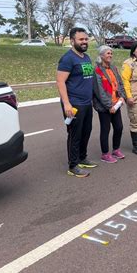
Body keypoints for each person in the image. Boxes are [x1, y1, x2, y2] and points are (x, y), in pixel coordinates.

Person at [56, 27, 97, 178]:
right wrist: (67, 104)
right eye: (81, 39)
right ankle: (73, 165)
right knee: (75, 134)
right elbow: (60, 82)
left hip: (86, 102)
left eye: (86, 39)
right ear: (72, 41)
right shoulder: (67, 58)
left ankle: (82, 157)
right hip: (74, 104)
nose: (84, 41)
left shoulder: (85, 57)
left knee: (86, 131)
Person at [93, 45, 127, 164]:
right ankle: (105, 154)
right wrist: (109, 106)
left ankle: (116, 149)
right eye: (108, 53)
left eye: (111, 53)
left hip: (116, 103)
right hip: (104, 106)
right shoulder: (97, 70)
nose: (110, 55)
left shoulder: (113, 68)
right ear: (101, 55)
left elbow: (120, 83)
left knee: (119, 127)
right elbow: (99, 91)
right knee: (105, 129)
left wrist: (122, 96)